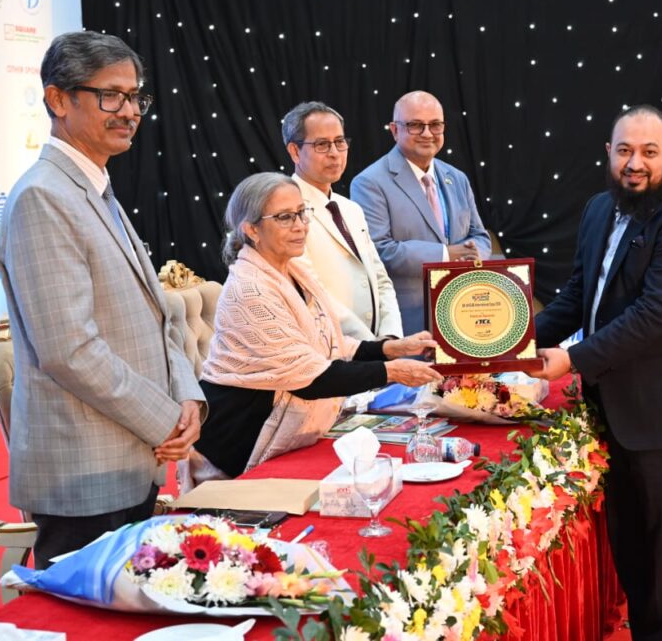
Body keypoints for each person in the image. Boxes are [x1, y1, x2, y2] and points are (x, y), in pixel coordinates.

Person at [0, 32, 204, 569]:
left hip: (133, 458)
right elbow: (69, 349)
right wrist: (164, 420)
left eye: (135, 97)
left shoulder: (95, 188)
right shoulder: (43, 196)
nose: (129, 111)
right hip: (84, 471)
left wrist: (186, 398)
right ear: (58, 99)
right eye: (111, 95)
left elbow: (158, 316)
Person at [532, 106, 662, 641]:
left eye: (648, 152)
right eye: (624, 151)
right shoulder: (600, 207)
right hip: (613, 409)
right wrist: (507, 343)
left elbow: (652, 315)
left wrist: (571, 359)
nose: (634, 163)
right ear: (609, 153)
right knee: (632, 550)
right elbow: (578, 295)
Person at [182, 172, 441, 486]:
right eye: (284, 217)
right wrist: (392, 372)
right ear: (252, 229)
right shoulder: (250, 289)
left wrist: (390, 349)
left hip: (284, 435)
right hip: (235, 445)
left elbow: (327, 343)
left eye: (302, 213)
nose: (300, 225)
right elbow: (308, 377)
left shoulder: (292, 270)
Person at [351, 90, 491, 335]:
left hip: (463, 314)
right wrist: (446, 255)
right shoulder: (369, 182)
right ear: (394, 130)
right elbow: (379, 250)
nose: (427, 133)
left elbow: (480, 236)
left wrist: (473, 253)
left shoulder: (457, 177)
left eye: (435, 125)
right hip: (407, 323)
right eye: (415, 125)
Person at [282, 100, 403, 340]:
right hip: (328, 349)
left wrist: (390, 336)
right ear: (295, 151)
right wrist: (373, 347)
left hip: (377, 350)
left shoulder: (351, 209)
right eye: (322, 144)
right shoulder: (284, 212)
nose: (334, 153)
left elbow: (380, 280)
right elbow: (312, 292)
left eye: (339, 142)